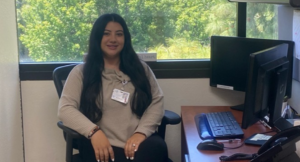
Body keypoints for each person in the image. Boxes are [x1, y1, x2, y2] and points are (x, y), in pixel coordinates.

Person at [58, 13, 168, 162]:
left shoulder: (140, 69)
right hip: (100, 144)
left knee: (157, 148)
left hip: (137, 142)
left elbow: (157, 101)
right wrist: (94, 132)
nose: (113, 39)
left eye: (119, 34)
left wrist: (141, 133)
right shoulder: (81, 72)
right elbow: (65, 109)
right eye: (106, 34)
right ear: (97, 37)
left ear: (125, 38)